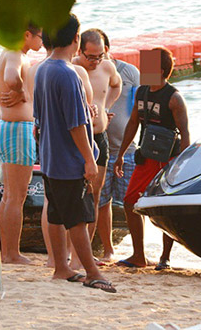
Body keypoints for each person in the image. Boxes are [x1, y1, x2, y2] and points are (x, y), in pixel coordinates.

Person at [34, 13, 116, 292]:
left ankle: (61, 267)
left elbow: (40, 118)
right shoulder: (67, 74)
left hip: (49, 155)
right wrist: (90, 159)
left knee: (57, 215)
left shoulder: (43, 69)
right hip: (68, 158)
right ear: (76, 39)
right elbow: (77, 125)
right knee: (78, 218)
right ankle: (92, 271)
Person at [114, 47, 190, 269]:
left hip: (169, 159)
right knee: (130, 202)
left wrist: (182, 166)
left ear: (161, 70)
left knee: (166, 208)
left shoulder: (174, 98)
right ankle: (139, 255)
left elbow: (185, 134)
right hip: (146, 156)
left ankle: (165, 257)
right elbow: (133, 123)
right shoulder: (141, 92)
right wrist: (120, 154)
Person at [0, 23, 43, 264]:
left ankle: (7, 252)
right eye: (40, 36)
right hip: (16, 130)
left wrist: (24, 92)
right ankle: (11, 253)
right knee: (16, 196)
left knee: (9, 195)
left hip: (8, 127)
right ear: (27, 35)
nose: (43, 42)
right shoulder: (15, 53)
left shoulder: (11, 53)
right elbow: (11, 77)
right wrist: (22, 91)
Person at [72, 29, 122, 245]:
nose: (94, 61)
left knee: (95, 195)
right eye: (90, 56)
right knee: (74, 196)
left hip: (100, 136)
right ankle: (70, 248)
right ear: (80, 51)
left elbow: (116, 84)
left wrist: (106, 107)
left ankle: (88, 249)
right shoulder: (71, 68)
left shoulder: (108, 66)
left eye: (99, 56)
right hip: (76, 140)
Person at [98, 33, 140, 262]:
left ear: (107, 49)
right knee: (102, 203)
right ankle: (108, 250)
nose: (96, 59)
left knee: (132, 203)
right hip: (101, 150)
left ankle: (139, 251)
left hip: (128, 149)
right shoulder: (88, 72)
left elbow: (142, 104)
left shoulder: (130, 72)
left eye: (100, 53)